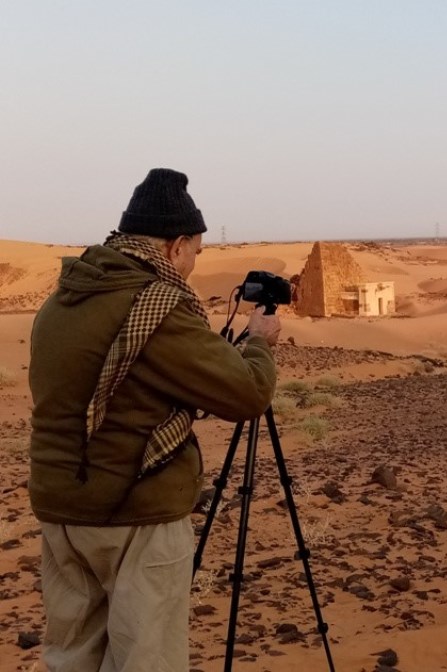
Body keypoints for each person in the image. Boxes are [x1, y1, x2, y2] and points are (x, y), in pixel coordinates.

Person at [28, 168, 281, 671]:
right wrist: (258, 344)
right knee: (147, 659)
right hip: (135, 513)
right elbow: (247, 394)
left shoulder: (64, 296)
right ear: (176, 246)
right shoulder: (155, 306)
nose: (191, 266)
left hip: (62, 513)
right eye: (195, 253)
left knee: (72, 657)